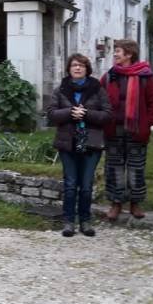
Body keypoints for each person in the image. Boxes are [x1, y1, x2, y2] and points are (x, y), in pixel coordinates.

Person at [46, 54, 113, 237]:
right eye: (74, 65)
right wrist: (70, 112)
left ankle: (85, 221)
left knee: (86, 185)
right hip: (68, 142)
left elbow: (107, 115)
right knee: (70, 183)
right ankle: (69, 222)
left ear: (87, 69)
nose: (77, 68)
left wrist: (86, 114)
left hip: (90, 142)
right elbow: (51, 114)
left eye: (81, 66)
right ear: (69, 69)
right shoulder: (61, 89)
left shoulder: (97, 89)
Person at [102, 40, 153, 220]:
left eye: (118, 51)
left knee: (136, 168)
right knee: (114, 167)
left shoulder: (144, 76)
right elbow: (99, 98)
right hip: (114, 130)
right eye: (115, 51)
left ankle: (135, 203)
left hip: (136, 131)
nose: (115, 54)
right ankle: (116, 202)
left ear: (129, 54)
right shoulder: (109, 76)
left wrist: (146, 123)